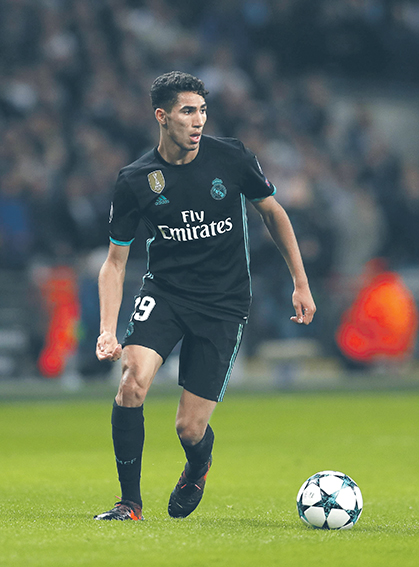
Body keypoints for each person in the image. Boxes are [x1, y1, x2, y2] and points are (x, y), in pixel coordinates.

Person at [94, 71, 316, 521]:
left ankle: (198, 464)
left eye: (202, 111)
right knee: (132, 381)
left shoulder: (231, 157)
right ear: (162, 116)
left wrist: (301, 282)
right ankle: (129, 504)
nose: (198, 121)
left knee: (189, 427)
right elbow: (115, 262)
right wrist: (106, 329)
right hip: (166, 293)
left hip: (223, 304)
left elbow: (273, 212)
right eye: (188, 111)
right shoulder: (136, 180)